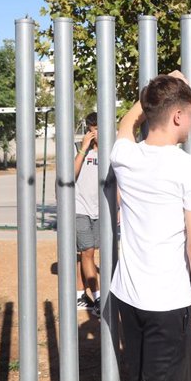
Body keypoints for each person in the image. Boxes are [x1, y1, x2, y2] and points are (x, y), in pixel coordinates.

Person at [110, 72, 191, 381]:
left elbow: (125, 125)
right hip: (167, 301)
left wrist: (156, 91)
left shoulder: (124, 156)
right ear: (178, 116)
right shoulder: (189, 168)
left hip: (128, 296)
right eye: (190, 115)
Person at [74, 112, 101, 316]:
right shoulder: (80, 151)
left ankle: (80, 295)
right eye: (93, 129)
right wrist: (83, 147)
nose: (96, 133)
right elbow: (70, 175)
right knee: (88, 252)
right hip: (79, 208)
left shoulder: (109, 152)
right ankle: (99, 298)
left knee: (86, 255)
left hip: (99, 210)